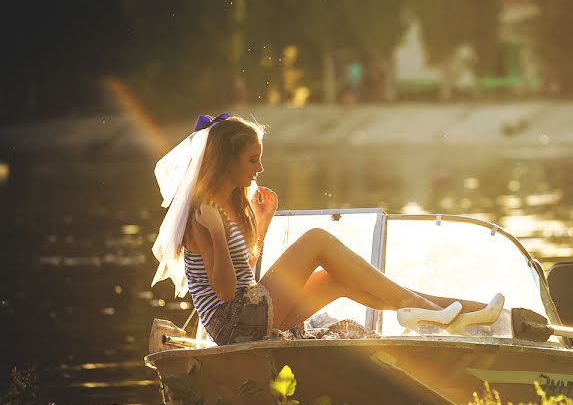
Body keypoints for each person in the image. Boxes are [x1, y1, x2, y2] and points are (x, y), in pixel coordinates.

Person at [151, 114, 504, 346]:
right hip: (234, 324)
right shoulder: (203, 213)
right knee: (317, 240)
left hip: (249, 311)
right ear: (227, 161)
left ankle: (450, 318)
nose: (260, 168)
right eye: (252, 160)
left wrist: (262, 224)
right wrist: (213, 233)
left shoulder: (230, 203)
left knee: (338, 280)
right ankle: (424, 311)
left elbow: (244, 270)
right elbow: (227, 292)